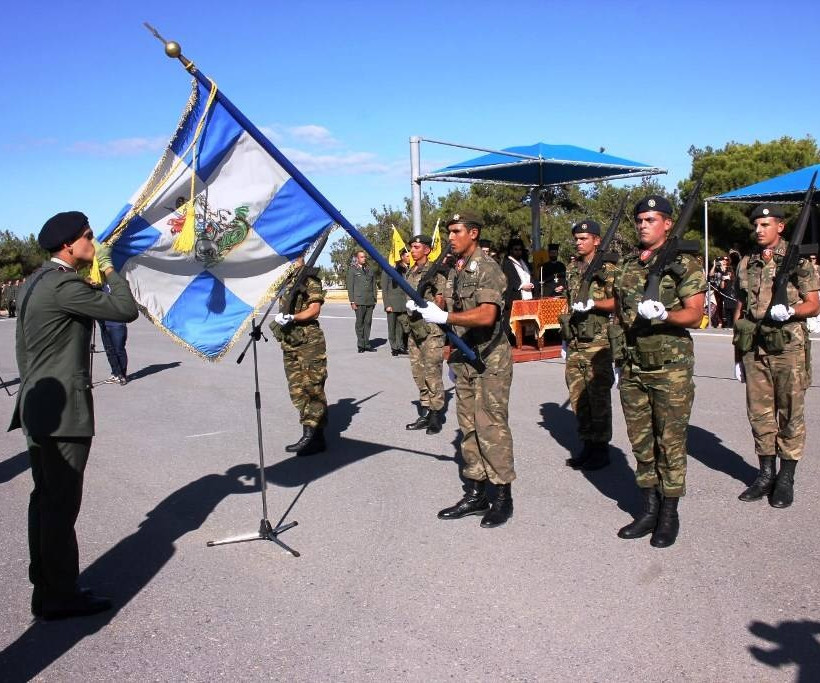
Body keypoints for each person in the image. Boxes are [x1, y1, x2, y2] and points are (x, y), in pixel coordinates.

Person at [9, 211, 138, 619]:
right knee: (60, 505)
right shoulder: (64, 284)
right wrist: (110, 266)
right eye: (88, 237)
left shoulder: (34, 281)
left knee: (44, 501)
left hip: (37, 406)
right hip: (62, 412)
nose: (93, 241)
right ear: (69, 245)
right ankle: (59, 595)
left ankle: (46, 586)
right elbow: (123, 309)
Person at [408, 210, 515, 528]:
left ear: (474, 234)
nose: (450, 237)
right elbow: (449, 306)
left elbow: (486, 316)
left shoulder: (487, 268)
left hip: (489, 361)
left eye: (456, 231)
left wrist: (446, 319)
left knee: (491, 428)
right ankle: (477, 493)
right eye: (449, 232)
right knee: (468, 427)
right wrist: (429, 309)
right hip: (464, 358)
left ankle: (502, 497)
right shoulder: (456, 270)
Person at [613, 195, 706, 548]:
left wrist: (665, 315)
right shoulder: (627, 264)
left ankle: (669, 513)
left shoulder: (684, 263)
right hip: (634, 364)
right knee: (641, 441)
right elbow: (620, 315)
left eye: (650, 219)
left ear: (668, 223)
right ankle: (648, 508)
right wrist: (618, 357)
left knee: (670, 441)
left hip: (670, 369)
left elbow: (695, 314)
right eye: (639, 220)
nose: (642, 225)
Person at [733, 204, 819, 508]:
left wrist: (792, 311)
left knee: (790, 413)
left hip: (788, 348)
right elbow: (741, 308)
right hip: (755, 349)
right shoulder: (746, 262)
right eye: (756, 225)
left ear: (780, 226)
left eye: (765, 224)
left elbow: (814, 304)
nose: (758, 230)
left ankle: (786, 477)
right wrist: (737, 352)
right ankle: (766, 473)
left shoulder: (797, 261)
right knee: (759, 414)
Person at [561, 219, 616, 471]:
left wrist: (594, 303)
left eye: (584, 238)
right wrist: (565, 335)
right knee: (578, 397)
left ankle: (601, 448)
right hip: (575, 340)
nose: (579, 242)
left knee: (598, 397)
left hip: (598, 341)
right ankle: (587, 444)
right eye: (576, 238)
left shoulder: (608, 268)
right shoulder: (572, 268)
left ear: (597, 240)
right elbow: (568, 300)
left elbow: (619, 301)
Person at [269, 256, 328, 456]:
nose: (290, 258)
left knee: (312, 387)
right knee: (297, 390)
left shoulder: (309, 280)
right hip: (291, 341)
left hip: (309, 341)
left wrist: (293, 317)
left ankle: (311, 435)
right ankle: (316, 437)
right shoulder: (286, 280)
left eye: (295, 255)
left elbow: (314, 310)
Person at [403, 234, 447, 435]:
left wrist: (427, 306)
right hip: (414, 329)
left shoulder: (435, 273)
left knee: (432, 372)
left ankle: (436, 414)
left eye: (417, 247)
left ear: (427, 250)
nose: (412, 250)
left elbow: (441, 302)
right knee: (418, 373)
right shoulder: (411, 272)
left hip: (431, 331)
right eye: (412, 247)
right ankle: (426, 410)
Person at [501, 238, 534, 342]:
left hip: (528, 295)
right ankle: (511, 340)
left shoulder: (524, 262)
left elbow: (530, 275)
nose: (518, 252)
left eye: (520, 249)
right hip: (515, 296)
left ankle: (527, 339)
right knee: (512, 320)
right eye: (515, 249)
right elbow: (509, 279)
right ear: (511, 250)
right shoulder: (507, 263)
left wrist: (533, 284)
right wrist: (521, 286)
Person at [346, 250, 377, 352]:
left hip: (369, 301)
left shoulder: (369, 270)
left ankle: (367, 344)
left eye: (364, 257)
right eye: (362, 257)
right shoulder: (352, 270)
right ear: (357, 259)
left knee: (368, 322)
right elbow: (350, 287)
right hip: (359, 301)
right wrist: (352, 301)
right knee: (360, 323)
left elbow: (373, 286)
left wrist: (374, 299)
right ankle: (360, 345)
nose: (364, 258)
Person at [98, 283, 129, 385]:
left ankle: (122, 375)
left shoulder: (119, 286)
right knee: (109, 350)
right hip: (104, 323)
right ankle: (115, 373)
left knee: (119, 350)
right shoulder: (99, 286)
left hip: (117, 324)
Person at [381, 248, 410, 356]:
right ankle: (394, 347)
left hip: (403, 303)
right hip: (392, 304)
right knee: (392, 327)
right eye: (407, 256)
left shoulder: (407, 269)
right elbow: (384, 289)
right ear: (401, 257)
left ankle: (400, 345)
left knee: (401, 327)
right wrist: (387, 305)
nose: (409, 258)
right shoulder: (388, 270)